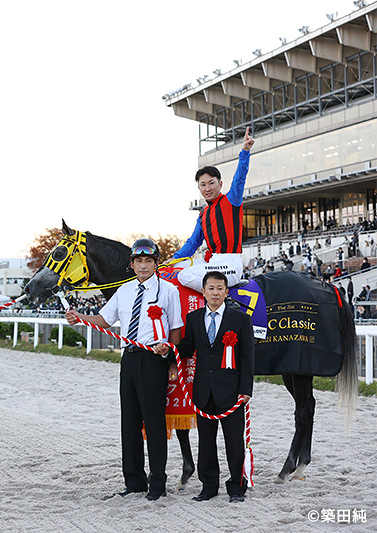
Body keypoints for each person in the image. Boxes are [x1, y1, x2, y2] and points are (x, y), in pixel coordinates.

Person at [65, 239, 183, 501]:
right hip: (128, 359)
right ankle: (134, 482)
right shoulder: (124, 291)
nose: (143, 265)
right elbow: (105, 320)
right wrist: (80, 317)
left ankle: (157, 483)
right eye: (139, 261)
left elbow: (175, 328)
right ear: (131, 264)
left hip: (154, 359)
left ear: (156, 263)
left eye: (148, 261)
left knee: (154, 423)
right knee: (129, 423)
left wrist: (172, 358)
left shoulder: (168, 291)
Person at [156, 271, 254, 503]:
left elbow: (248, 357)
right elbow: (188, 348)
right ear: (203, 291)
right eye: (211, 288)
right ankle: (209, 487)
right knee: (206, 442)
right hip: (203, 391)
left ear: (226, 292)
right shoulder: (194, 318)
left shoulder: (240, 320)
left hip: (232, 391)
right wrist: (169, 350)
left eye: (220, 288)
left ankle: (236, 489)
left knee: (234, 442)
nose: (215, 293)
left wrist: (246, 389)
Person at [172, 127, 255, 292]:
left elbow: (240, 179)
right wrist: (172, 260)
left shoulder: (231, 200)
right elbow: (193, 243)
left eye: (211, 183)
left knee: (184, 276)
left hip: (230, 264)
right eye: (203, 185)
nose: (207, 188)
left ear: (220, 184)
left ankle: (220, 300)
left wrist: (245, 152)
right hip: (211, 262)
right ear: (199, 188)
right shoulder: (203, 214)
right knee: (176, 268)